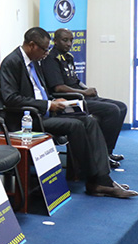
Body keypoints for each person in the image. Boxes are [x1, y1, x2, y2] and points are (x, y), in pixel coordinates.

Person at [0, 27, 134, 199]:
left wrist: (55, 101)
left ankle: (100, 179)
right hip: (30, 119)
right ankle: (95, 179)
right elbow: (11, 99)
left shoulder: (35, 61)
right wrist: (48, 105)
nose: (47, 53)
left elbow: (42, 90)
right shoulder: (12, 62)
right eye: (45, 49)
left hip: (47, 109)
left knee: (88, 119)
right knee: (76, 124)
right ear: (32, 45)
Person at [41, 28, 127, 166]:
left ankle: (108, 151)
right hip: (69, 102)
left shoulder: (68, 57)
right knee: (112, 110)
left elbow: (75, 81)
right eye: (65, 40)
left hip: (81, 96)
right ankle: (102, 156)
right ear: (55, 41)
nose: (69, 44)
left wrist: (86, 88)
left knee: (122, 107)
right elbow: (58, 87)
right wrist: (84, 93)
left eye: (71, 40)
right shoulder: (51, 59)